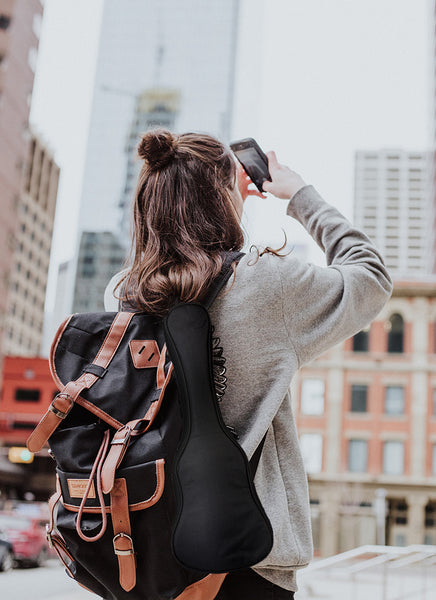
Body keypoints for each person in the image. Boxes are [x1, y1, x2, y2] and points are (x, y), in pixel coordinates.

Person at [104, 129, 393, 599]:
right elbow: (371, 275)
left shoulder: (123, 293)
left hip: (148, 544)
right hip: (250, 555)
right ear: (221, 194)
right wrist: (298, 194)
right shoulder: (266, 286)